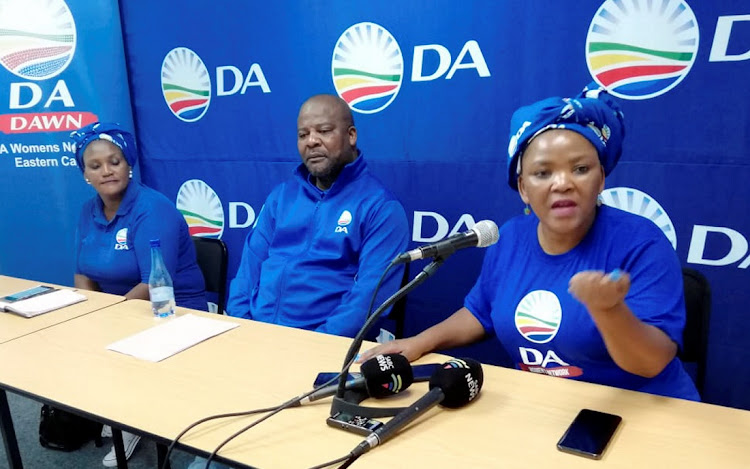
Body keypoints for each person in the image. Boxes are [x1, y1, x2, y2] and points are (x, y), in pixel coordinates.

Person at [360, 84, 700, 401]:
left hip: (647, 413)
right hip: (548, 409)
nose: (563, 183)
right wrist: (419, 342)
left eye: (580, 169)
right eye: (543, 173)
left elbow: (653, 362)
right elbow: (480, 313)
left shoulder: (642, 242)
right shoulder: (510, 238)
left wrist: (608, 310)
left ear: (601, 179)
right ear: (523, 187)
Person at [70, 122, 208, 467]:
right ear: (85, 173)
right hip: (118, 310)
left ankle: (134, 418)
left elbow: (154, 283)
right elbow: (82, 271)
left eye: (114, 161)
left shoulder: (152, 207)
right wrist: (91, 315)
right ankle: (125, 412)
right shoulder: (88, 211)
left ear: (128, 164)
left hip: (173, 310)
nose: (106, 171)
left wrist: (105, 319)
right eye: (95, 165)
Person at [226, 94, 409, 337]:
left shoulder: (381, 208)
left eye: (323, 131)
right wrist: (244, 328)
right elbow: (247, 273)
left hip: (323, 346)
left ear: (351, 136)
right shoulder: (281, 197)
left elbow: (366, 303)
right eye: (303, 135)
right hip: (255, 336)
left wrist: (314, 345)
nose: (311, 141)